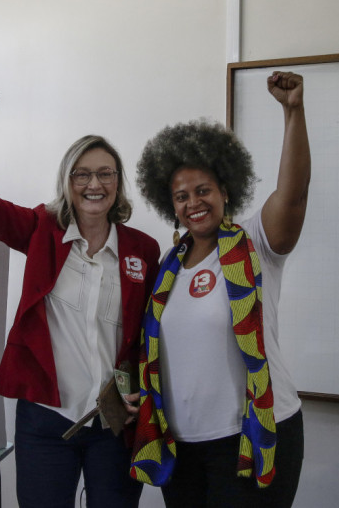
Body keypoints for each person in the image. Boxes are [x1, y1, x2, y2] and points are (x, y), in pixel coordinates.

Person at [0, 74, 160, 508]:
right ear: (67, 180)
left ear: (118, 182)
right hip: (45, 418)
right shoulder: (42, 229)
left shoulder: (143, 250)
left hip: (114, 422)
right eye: (82, 174)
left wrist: (146, 392)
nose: (93, 184)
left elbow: (152, 335)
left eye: (104, 174)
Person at [130, 71, 310, 507]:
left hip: (252, 438)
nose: (193, 203)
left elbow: (294, 193)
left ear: (226, 190)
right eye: (180, 196)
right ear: (168, 204)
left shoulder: (255, 243)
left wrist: (293, 112)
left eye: (203, 190)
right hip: (183, 446)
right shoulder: (167, 270)